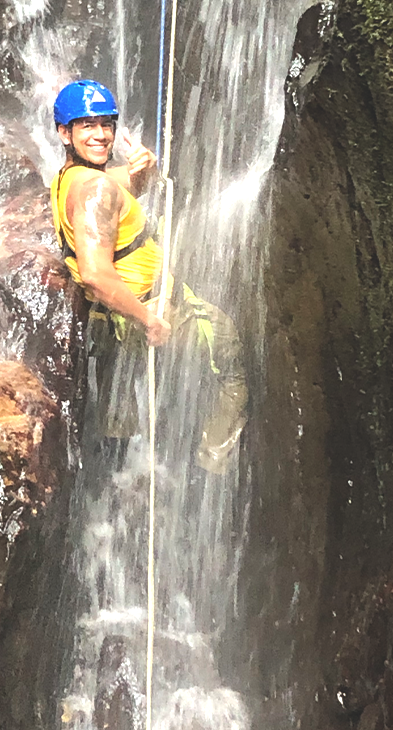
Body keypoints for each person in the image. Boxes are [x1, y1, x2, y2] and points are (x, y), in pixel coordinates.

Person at [50, 80, 248, 472]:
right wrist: (150, 322)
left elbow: (119, 193)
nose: (101, 134)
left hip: (109, 323)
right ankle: (211, 468)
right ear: (64, 132)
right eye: (87, 125)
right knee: (230, 360)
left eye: (106, 124)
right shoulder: (94, 191)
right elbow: (94, 273)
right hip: (142, 311)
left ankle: (111, 481)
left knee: (118, 412)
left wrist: (145, 172)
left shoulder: (71, 179)